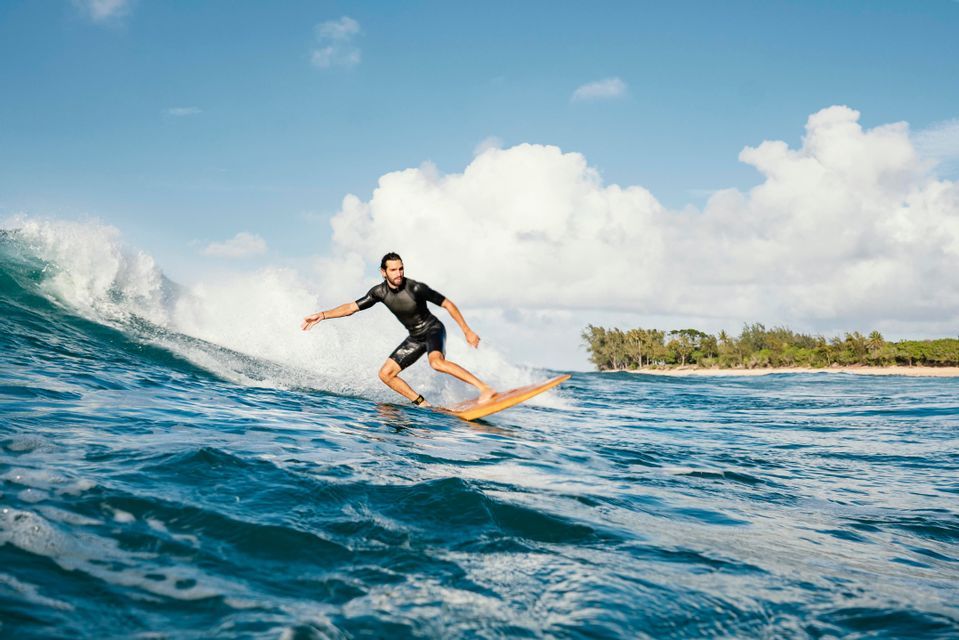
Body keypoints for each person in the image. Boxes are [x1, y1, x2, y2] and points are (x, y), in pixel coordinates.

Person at [301, 252, 495, 407]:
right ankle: (423, 404)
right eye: (393, 270)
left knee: (436, 363)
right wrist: (323, 315)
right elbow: (351, 308)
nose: (398, 273)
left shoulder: (415, 288)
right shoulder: (379, 292)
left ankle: (485, 389)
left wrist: (467, 330)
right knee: (385, 374)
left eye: (401, 269)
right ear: (383, 272)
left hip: (433, 329)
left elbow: (448, 304)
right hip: (415, 336)